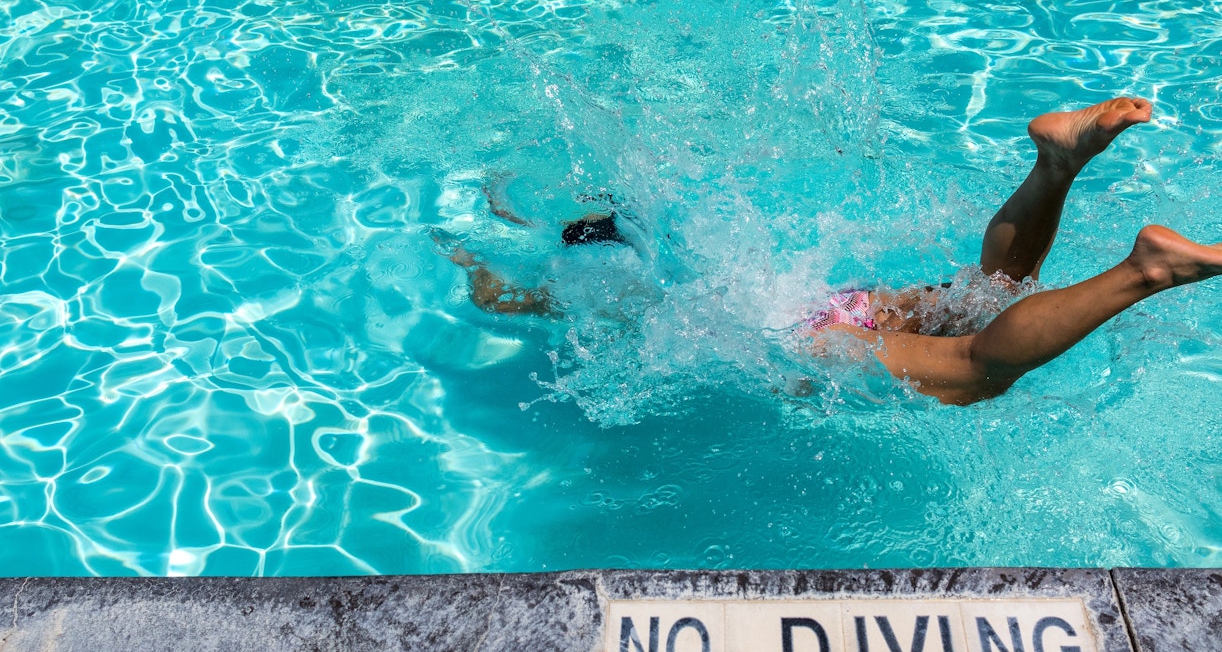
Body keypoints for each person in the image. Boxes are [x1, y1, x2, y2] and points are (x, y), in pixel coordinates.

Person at [445, 98, 1222, 405]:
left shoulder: (595, 287)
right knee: (991, 291)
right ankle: (1055, 162)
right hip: (824, 300)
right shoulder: (667, 226)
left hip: (807, 339)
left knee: (978, 368)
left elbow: (503, 299)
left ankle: (1143, 271)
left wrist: (478, 273)